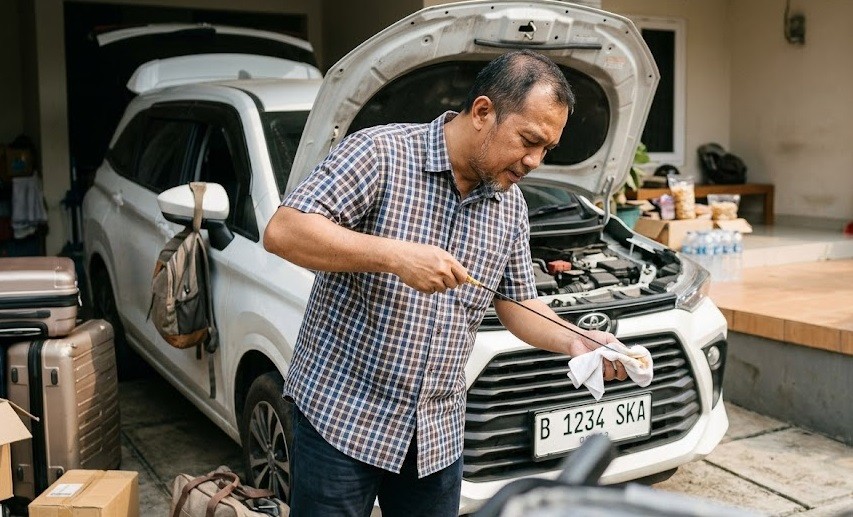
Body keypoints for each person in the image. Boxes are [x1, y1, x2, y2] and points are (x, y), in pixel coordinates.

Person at [263, 50, 629, 517]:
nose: (535, 161)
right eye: (528, 140)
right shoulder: (380, 153)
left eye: (547, 149)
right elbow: (283, 231)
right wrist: (396, 255)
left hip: (435, 435)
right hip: (341, 419)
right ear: (482, 112)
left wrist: (578, 341)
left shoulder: (510, 205)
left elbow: (517, 302)